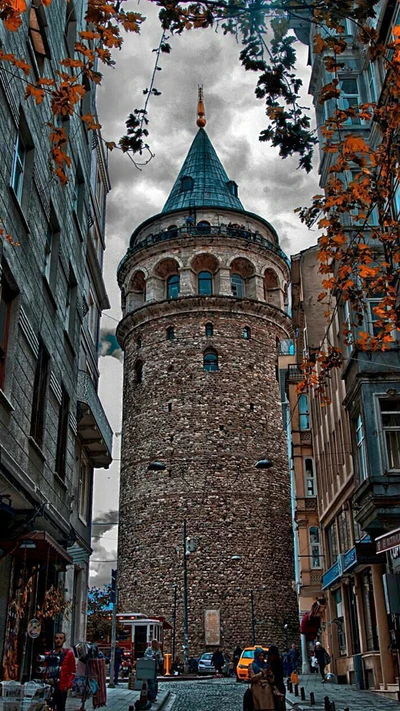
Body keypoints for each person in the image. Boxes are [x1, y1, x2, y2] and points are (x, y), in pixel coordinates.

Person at [48, 632, 76, 711]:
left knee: (61, 707)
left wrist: (68, 685)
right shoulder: (50, 654)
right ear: (54, 640)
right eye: (57, 638)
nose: (58, 640)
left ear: (64, 640)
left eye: (61, 638)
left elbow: (72, 671)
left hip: (62, 686)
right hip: (50, 684)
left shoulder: (68, 654)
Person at [267, 646, 286, 710]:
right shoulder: (269, 662)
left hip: (278, 685)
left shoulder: (278, 662)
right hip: (271, 686)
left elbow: (279, 675)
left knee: (279, 704)